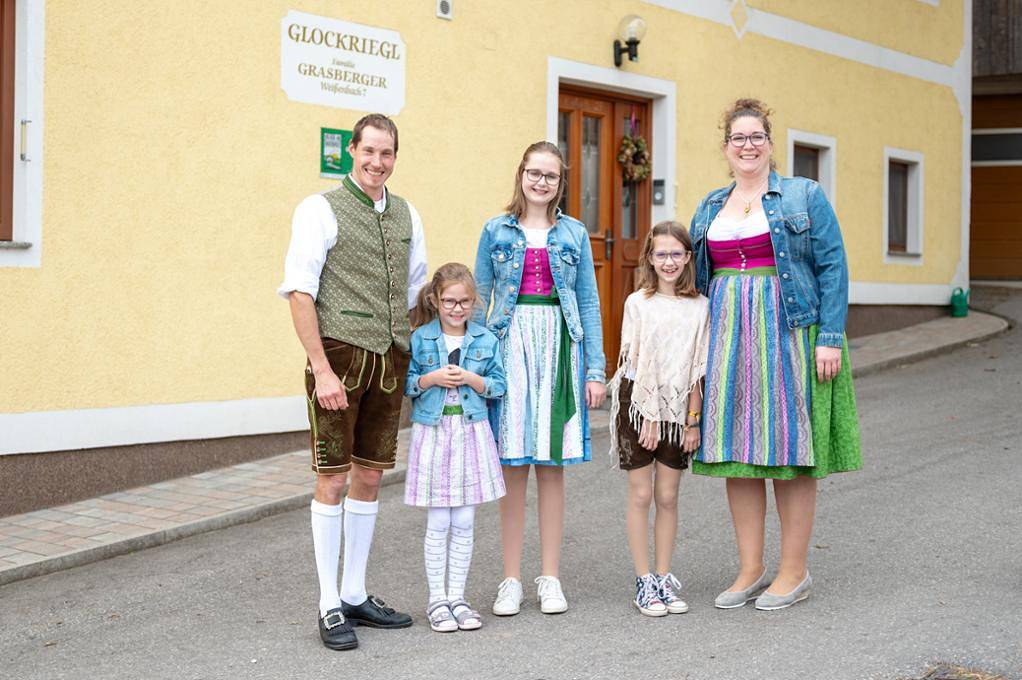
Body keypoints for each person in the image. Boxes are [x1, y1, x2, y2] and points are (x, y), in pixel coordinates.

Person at [689, 98, 862, 611]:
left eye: (756, 137)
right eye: (738, 138)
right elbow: (698, 280)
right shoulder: (709, 206)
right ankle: (750, 567)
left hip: (789, 329)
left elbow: (833, 265)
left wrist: (830, 335)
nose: (748, 146)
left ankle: (794, 569)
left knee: (790, 451)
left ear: (770, 144)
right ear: (726, 148)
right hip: (726, 337)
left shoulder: (803, 194)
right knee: (738, 454)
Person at [278, 113, 427, 650]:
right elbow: (299, 291)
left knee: (369, 478)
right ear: (352, 151)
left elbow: (414, 293)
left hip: (389, 360)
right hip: (338, 357)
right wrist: (321, 369)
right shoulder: (319, 209)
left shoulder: (408, 213)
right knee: (333, 479)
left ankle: (356, 592)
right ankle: (328, 604)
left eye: (386, 154)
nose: (377, 162)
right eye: (368, 152)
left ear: (394, 157)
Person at [474, 141, 606, 616]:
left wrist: (595, 369)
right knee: (512, 464)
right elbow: (479, 298)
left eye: (550, 175)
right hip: (509, 346)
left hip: (559, 345)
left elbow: (588, 302)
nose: (541, 182)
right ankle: (510, 578)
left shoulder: (573, 233)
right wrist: (475, 362)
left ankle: (549, 576)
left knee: (551, 465)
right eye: (534, 173)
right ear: (521, 174)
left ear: (560, 182)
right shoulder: (495, 230)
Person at [607, 221, 709, 617]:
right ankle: (644, 581)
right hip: (640, 406)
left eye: (676, 254)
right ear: (650, 258)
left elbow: (697, 367)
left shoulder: (700, 306)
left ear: (687, 258)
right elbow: (637, 359)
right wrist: (649, 415)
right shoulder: (639, 302)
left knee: (667, 496)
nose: (669, 262)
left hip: (680, 408)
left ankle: (665, 578)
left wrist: (693, 420)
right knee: (642, 495)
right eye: (661, 254)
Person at [404, 263, 507, 633]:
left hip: (470, 431)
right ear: (435, 300)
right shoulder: (421, 338)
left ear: (473, 302)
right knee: (439, 519)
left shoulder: (484, 340)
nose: (456, 308)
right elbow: (408, 384)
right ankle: (437, 601)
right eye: (449, 301)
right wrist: (431, 378)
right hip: (433, 432)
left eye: (464, 302)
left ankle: (458, 597)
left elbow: (499, 385)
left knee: (464, 519)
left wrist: (474, 379)